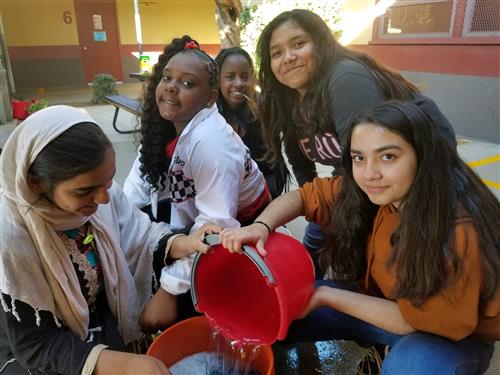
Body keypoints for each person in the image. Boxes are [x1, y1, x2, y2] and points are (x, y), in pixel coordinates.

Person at [220, 100, 499, 374]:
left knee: (410, 367)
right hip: (384, 300)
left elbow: (413, 320)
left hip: (449, 335)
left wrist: (326, 296)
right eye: (359, 158)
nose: (370, 174)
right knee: (275, 314)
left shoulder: (457, 228)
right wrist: (261, 226)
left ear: (423, 155)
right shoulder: (367, 191)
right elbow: (303, 196)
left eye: (388, 156)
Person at [0, 105, 218, 375]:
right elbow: (35, 343)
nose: (103, 199)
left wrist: (181, 244)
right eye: (84, 191)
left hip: (105, 326)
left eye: (109, 181)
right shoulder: (12, 238)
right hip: (57, 356)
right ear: (36, 184)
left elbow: (139, 235)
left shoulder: (100, 197)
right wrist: (118, 363)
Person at [255, 9, 456, 276]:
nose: (288, 58)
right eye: (276, 53)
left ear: (321, 43)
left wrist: (338, 224)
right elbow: (301, 163)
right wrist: (318, 208)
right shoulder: (290, 101)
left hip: (419, 178)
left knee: (369, 265)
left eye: (298, 44)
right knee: (316, 246)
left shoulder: (346, 79)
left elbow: (367, 165)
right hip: (356, 182)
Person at [123, 36, 270, 331]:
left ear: (211, 96)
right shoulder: (166, 125)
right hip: (196, 218)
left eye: (188, 83)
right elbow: (133, 195)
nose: (171, 87)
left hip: (238, 228)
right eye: (167, 78)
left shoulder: (212, 144)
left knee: (204, 310)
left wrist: (167, 291)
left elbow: (216, 229)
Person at [215, 47, 288, 199]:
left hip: (264, 188)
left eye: (245, 76)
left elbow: (273, 163)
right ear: (218, 79)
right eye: (230, 77)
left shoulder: (262, 109)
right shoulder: (209, 114)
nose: (239, 83)